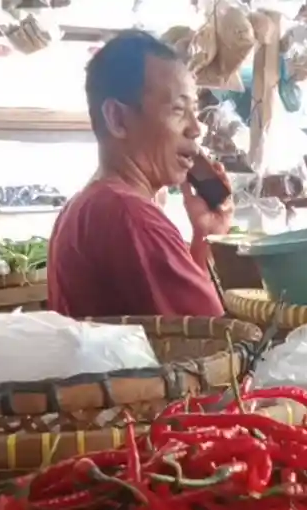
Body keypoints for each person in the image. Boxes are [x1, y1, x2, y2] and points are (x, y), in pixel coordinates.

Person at [48, 31, 234, 318]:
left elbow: (191, 330)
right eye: (178, 110)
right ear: (118, 119)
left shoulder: (84, 204)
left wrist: (206, 237)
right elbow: (223, 341)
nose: (195, 129)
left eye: (194, 111)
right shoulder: (129, 215)